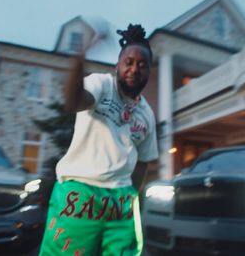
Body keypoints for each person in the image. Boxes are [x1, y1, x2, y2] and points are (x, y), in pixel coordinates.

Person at [39, 24, 159, 256]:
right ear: (118, 65)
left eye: (142, 65)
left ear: (148, 73)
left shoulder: (147, 115)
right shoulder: (102, 85)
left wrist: (131, 193)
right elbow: (72, 101)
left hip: (120, 203)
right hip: (79, 195)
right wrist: (81, 56)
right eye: (129, 62)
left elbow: (144, 161)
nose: (134, 69)